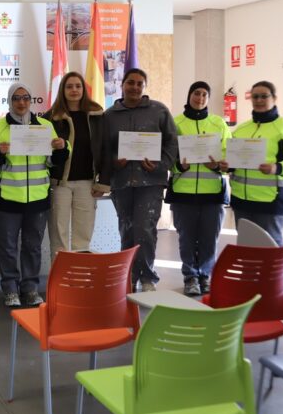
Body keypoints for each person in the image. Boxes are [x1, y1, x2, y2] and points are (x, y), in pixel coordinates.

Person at [0, 82, 67, 308]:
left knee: (32, 247)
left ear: (31, 101)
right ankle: (10, 289)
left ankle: (30, 288)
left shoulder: (45, 126)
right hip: (6, 199)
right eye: (16, 98)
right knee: (8, 247)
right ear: (10, 101)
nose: (21, 102)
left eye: (25, 98)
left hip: (38, 199)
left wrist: (61, 148)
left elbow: (52, 161)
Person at [101, 68, 178, 292]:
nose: (134, 87)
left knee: (145, 229)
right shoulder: (109, 115)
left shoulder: (159, 111)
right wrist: (115, 161)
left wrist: (160, 165)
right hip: (122, 181)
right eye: (130, 83)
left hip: (150, 182)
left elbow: (172, 144)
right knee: (126, 229)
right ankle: (128, 276)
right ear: (122, 85)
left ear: (144, 87)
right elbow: (103, 148)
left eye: (139, 83)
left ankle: (147, 277)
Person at [220, 81, 283, 247]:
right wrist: (227, 166)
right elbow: (231, 158)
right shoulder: (242, 129)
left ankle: (274, 275)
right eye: (255, 96)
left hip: (272, 202)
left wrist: (278, 168)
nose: (259, 100)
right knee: (247, 246)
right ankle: (250, 275)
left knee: (271, 248)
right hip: (241, 201)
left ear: (274, 98)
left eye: (263, 96)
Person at [165, 81, 230, 296]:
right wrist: (178, 165)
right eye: (196, 93)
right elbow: (169, 156)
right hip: (183, 192)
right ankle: (190, 276)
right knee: (186, 238)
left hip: (212, 191)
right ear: (189, 95)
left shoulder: (218, 123)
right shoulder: (176, 123)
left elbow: (229, 155)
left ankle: (205, 275)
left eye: (204, 94)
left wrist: (218, 164)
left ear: (208, 98)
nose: (200, 98)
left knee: (210, 237)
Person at [44, 71, 108, 254]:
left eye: (78, 86)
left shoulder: (97, 115)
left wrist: (103, 182)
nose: (74, 90)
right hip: (59, 184)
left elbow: (105, 148)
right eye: (69, 86)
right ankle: (60, 280)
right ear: (62, 90)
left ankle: (80, 278)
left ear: (84, 89)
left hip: (87, 184)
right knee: (59, 236)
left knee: (83, 236)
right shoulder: (50, 117)